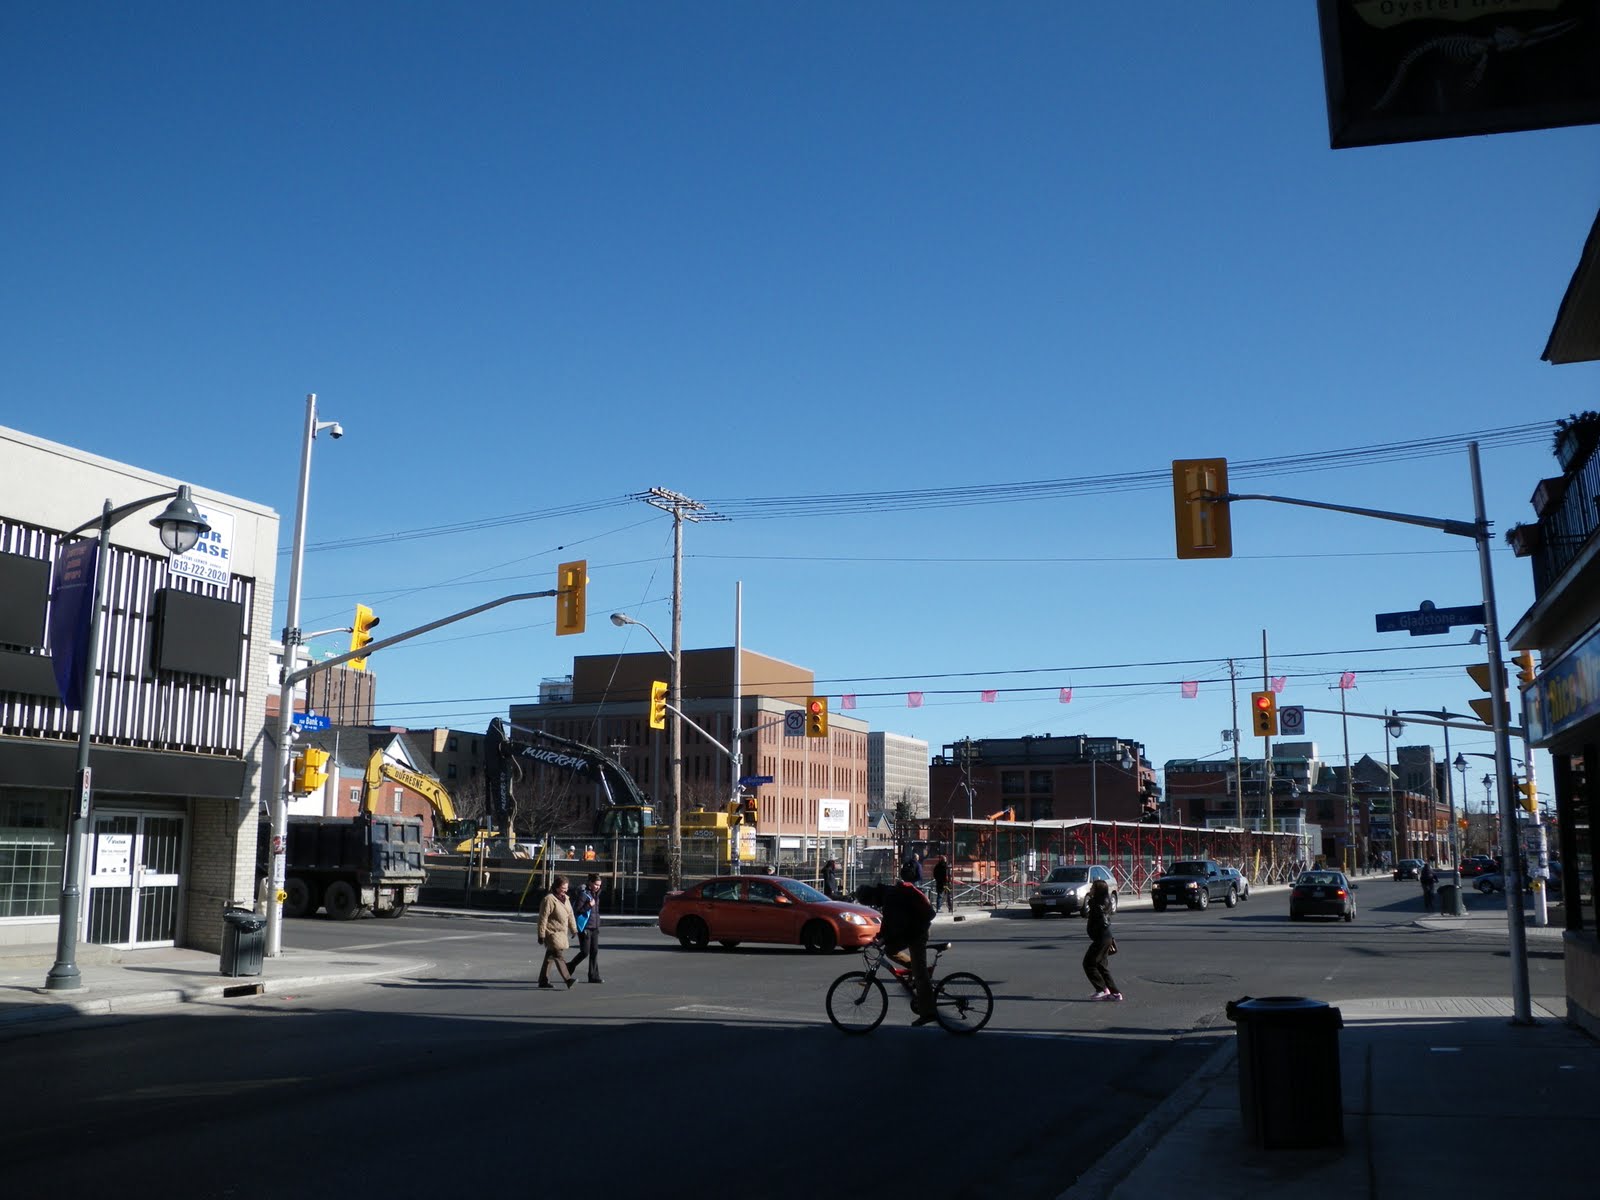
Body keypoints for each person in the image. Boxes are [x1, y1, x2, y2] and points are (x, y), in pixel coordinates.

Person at [879, 876, 936, 1026]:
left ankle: (928, 1013)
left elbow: (895, 923)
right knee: (890, 950)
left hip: (918, 932)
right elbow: (889, 922)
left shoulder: (891, 897)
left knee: (920, 975)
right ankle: (915, 968)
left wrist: (884, 937)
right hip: (913, 931)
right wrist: (881, 937)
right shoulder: (891, 894)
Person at [537, 875, 579, 989]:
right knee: (558, 955)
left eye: (566, 888)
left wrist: (574, 929)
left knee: (550, 956)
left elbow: (570, 915)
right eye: (563, 888)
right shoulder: (549, 899)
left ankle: (543, 980)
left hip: (562, 933)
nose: (565, 890)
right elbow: (543, 918)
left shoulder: (566, 899)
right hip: (552, 933)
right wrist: (541, 935)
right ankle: (568, 979)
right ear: (556, 887)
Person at [1082, 878, 1122, 1001]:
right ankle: (1115, 993)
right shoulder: (1102, 901)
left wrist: (1093, 904)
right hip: (1104, 938)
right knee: (1101, 966)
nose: (1090, 889)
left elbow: (1103, 920)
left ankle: (1102, 990)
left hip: (1102, 939)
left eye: (1092, 888)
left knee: (1089, 963)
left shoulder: (1097, 904)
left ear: (1097, 890)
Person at [566, 873, 603, 983]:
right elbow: (577, 910)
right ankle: (570, 966)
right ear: (590, 883)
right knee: (585, 952)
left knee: (594, 951)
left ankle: (593, 976)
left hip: (594, 927)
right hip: (585, 927)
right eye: (596, 884)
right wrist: (589, 905)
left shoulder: (595, 894)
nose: (598, 887)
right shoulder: (584, 894)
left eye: (599, 885)